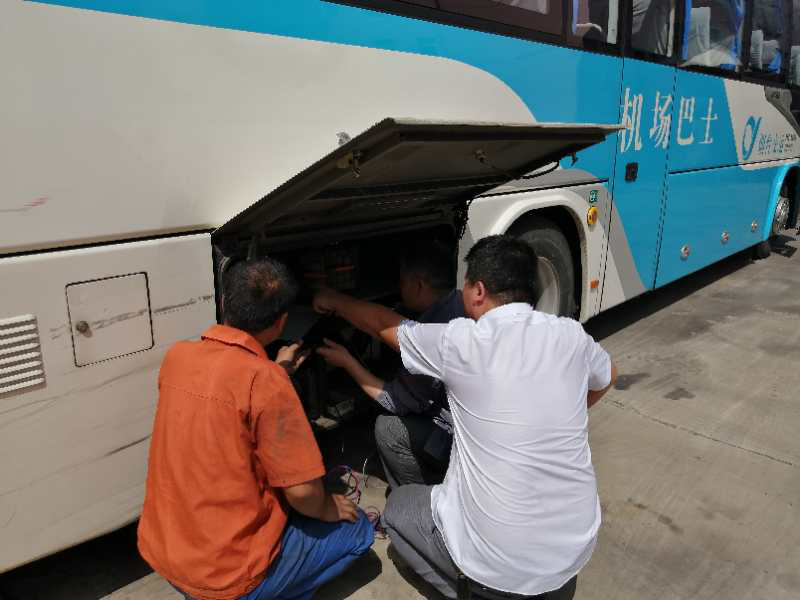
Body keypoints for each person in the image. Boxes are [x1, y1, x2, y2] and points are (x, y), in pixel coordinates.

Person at [313, 235, 617, 600]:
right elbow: (609, 376)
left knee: (397, 509)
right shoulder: (570, 334)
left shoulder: (463, 342)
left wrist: (332, 299)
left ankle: (469, 588)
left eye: (467, 284)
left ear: (479, 291)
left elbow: (382, 322)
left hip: (495, 570)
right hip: (573, 552)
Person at [137, 257, 374, 600]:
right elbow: (303, 495)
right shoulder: (266, 382)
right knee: (359, 531)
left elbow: (227, 391)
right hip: (227, 579)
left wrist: (276, 373)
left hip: (166, 555)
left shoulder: (178, 357)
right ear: (281, 322)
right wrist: (328, 507)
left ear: (224, 303)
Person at [316, 241, 465, 489]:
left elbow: (393, 401)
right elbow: (379, 323)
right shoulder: (460, 303)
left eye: (402, 281)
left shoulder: (431, 337)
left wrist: (347, 362)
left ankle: (420, 495)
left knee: (387, 428)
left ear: (419, 285)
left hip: (460, 439)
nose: (399, 286)